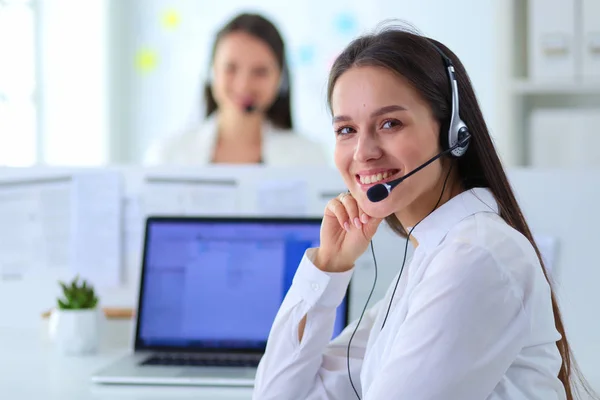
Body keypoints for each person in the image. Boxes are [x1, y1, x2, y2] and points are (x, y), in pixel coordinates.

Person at [252, 24, 597, 400]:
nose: (363, 152)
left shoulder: (475, 257)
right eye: (346, 129)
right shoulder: (430, 259)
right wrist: (328, 266)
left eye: (390, 123)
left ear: (452, 131)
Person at [143, 13, 328, 166]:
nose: (243, 85)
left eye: (260, 72)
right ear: (212, 70)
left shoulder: (310, 159)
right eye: (230, 68)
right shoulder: (168, 155)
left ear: (280, 78)